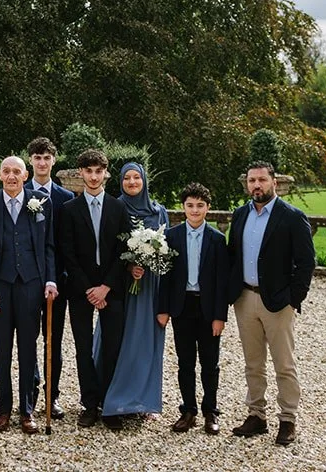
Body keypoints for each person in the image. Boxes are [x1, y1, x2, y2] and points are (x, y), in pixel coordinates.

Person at [225, 159, 314, 446]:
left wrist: (293, 299)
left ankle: (288, 419)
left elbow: (306, 262)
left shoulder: (292, 217)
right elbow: (232, 256)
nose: (256, 185)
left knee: (284, 364)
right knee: (253, 363)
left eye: (262, 180)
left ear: (274, 182)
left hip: (278, 302)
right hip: (245, 298)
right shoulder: (240, 215)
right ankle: (256, 416)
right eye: (252, 180)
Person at [0, 156, 58, 434]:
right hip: (0, 285)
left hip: (31, 284)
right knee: (2, 350)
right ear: (0, 175)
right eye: (6, 171)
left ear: (25, 175)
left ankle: (27, 411)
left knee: (28, 348)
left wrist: (50, 280)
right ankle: (3, 410)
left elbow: (49, 245)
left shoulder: (42, 202)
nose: (11, 176)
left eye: (17, 171)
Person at [56, 147, 128, 429]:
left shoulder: (118, 207)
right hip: (80, 290)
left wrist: (106, 287)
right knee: (83, 349)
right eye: (89, 171)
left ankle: (110, 405)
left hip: (112, 289)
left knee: (112, 348)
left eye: (99, 171)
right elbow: (67, 253)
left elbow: (123, 251)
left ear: (105, 173)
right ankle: (89, 404)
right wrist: (89, 289)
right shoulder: (69, 210)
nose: (94, 176)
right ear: (81, 173)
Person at [155, 182, 231, 435]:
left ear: (208, 208)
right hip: (182, 306)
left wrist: (220, 316)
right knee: (185, 362)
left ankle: (211, 410)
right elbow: (165, 276)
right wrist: (163, 309)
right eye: (190, 205)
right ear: (183, 207)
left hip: (207, 307)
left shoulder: (217, 239)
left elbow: (221, 282)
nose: (195, 210)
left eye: (200, 205)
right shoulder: (172, 236)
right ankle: (188, 410)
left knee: (210, 363)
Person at [99, 161, 169, 420]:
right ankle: (113, 399)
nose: (131, 182)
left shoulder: (158, 211)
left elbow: (168, 249)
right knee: (118, 341)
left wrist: (151, 262)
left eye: (136, 177)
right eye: (127, 178)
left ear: (144, 181)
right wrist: (129, 266)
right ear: (120, 182)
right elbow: (107, 248)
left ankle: (143, 400)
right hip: (121, 287)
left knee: (146, 343)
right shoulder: (114, 208)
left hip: (150, 287)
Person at [26, 135, 74, 418]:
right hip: (27, 280)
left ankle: (51, 395)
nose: (42, 163)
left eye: (46, 158)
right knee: (28, 338)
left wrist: (58, 277)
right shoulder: (19, 192)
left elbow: (65, 243)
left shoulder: (65, 198)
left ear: (54, 161)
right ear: (30, 160)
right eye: (37, 158)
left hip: (57, 281)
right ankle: (30, 393)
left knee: (53, 340)